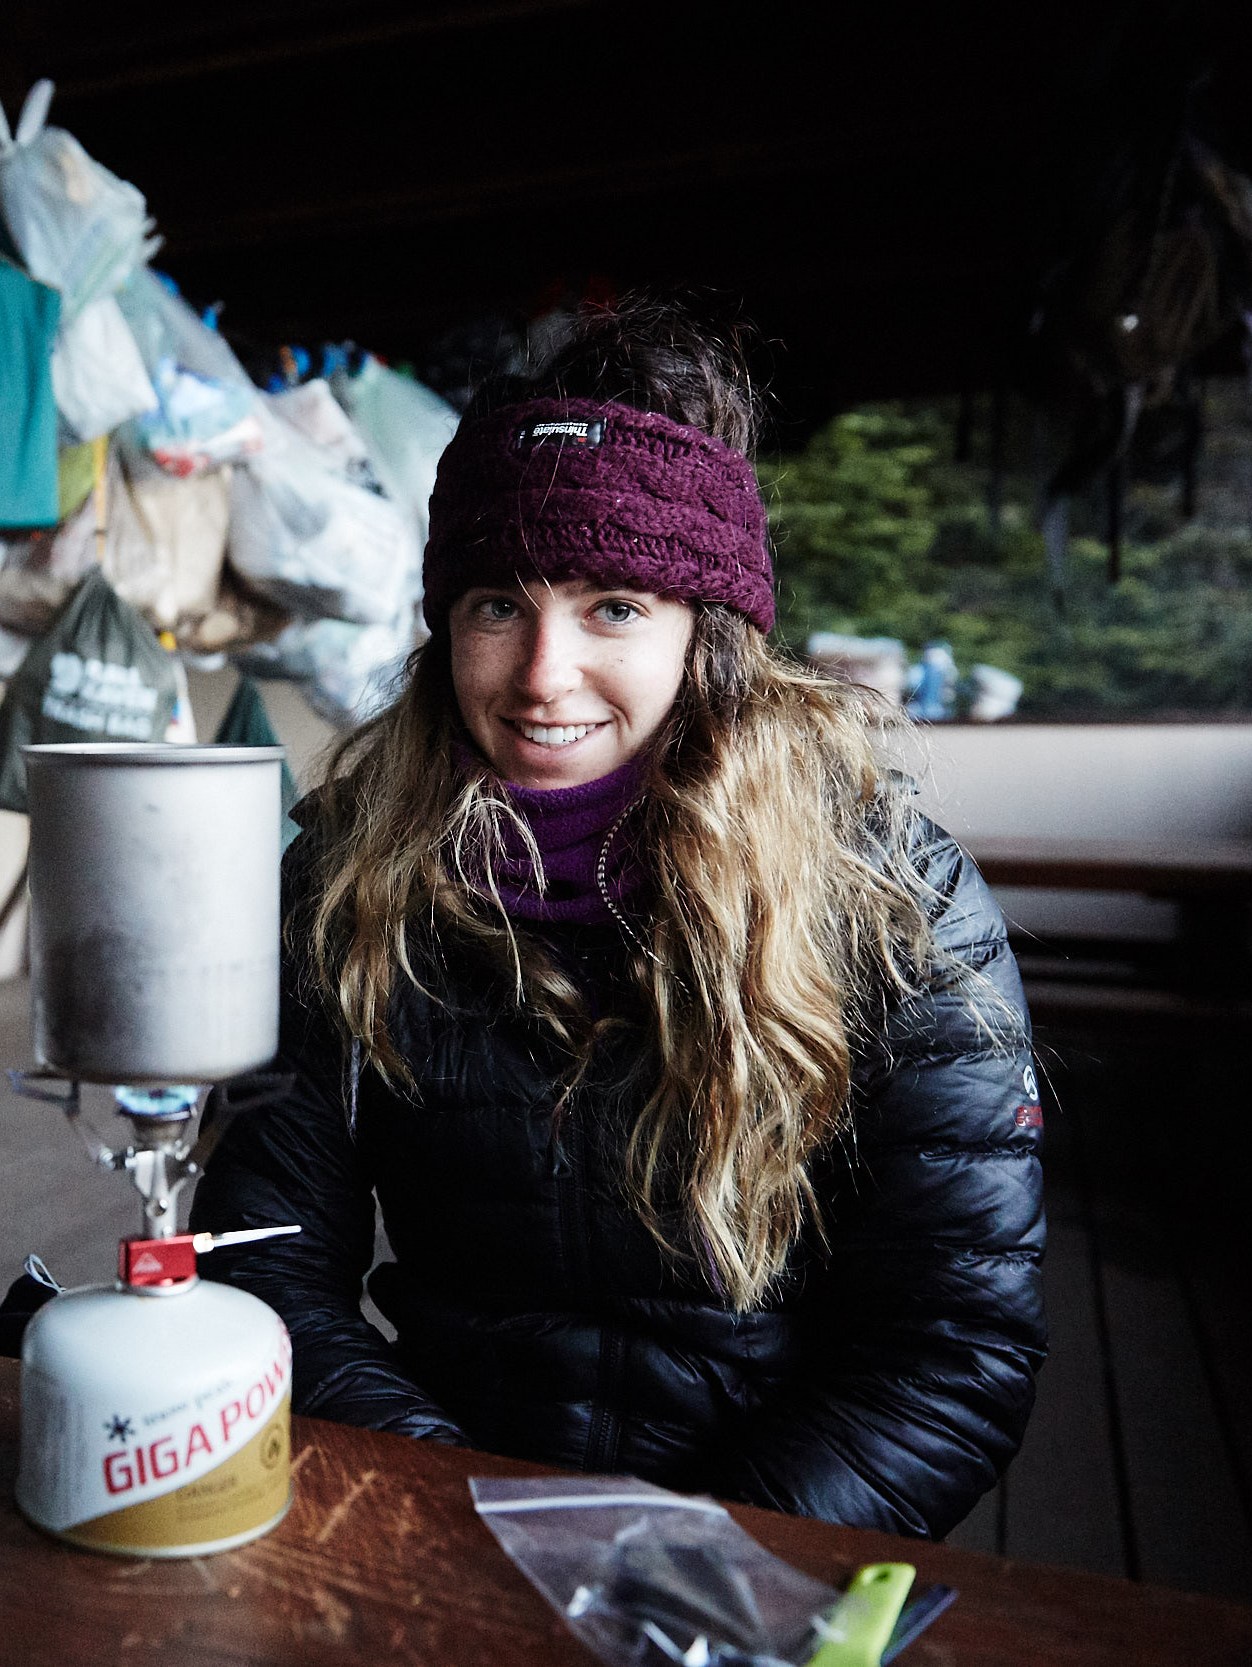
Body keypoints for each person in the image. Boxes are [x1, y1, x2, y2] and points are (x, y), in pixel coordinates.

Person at [191, 298, 1044, 1539]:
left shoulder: (890, 902)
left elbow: (950, 1350)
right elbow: (260, 1258)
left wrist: (678, 1561)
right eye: (497, 603)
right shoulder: (351, 882)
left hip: (755, 1546)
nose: (540, 673)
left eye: (613, 607)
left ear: (709, 638)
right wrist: (464, 1512)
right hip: (434, 1513)